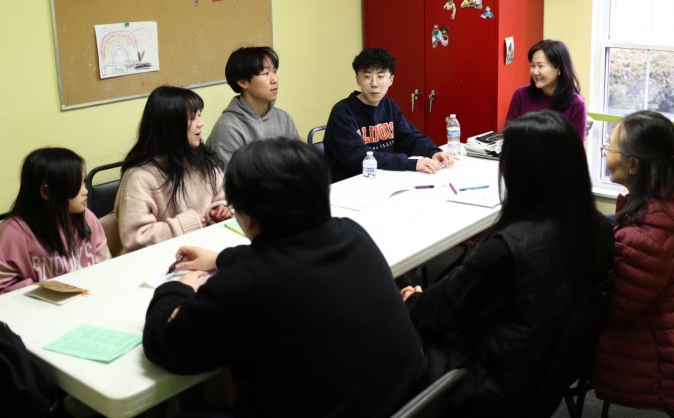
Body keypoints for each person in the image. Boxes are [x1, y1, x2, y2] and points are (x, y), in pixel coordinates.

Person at [143, 138, 427, 418]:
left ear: (249, 219)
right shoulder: (351, 233)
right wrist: (221, 259)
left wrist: (176, 288)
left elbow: (164, 345)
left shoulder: (246, 284)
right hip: (410, 402)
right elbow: (288, 252)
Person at [402, 111, 614, 417]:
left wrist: (413, 300)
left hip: (484, 385)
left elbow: (441, 310)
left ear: (519, 171)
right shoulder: (599, 227)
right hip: (536, 379)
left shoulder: (508, 250)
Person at [594, 110, 674, 416]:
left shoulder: (648, 238)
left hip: (660, 366)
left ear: (633, 164)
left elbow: (612, 312)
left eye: (609, 147)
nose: (605, 153)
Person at [0, 148, 110, 301]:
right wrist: (35, 290)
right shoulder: (12, 234)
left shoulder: (87, 218)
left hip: (87, 303)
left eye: (84, 182)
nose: (85, 191)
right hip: (36, 311)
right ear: (46, 192)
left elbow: (106, 267)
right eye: (76, 184)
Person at [115, 86, 231, 253]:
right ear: (170, 125)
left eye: (199, 115)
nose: (201, 123)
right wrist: (187, 223)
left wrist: (220, 210)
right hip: (160, 258)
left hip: (205, 248)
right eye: (192, 117)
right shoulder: (139, 176)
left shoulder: (204, 160)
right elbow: (135, 238)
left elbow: (221, 199)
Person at [324, 48, 455, 182]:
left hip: (381, 178)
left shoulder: (389, 105)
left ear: (391, 80)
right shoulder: (342, 112)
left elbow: (410, 138)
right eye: (367, 76)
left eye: (380, 76)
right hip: (350, 183)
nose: (374, 84)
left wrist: (433, 152)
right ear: (358, 79)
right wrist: (408, 163)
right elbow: (358, 156)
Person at [206, 46, 298, 167]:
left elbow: (300, 163)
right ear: (243, 82)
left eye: (275, 71)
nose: (274, 80)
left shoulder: (284, 118)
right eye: (265, 73)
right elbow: (232, 177)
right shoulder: (228, 128)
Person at [504, 39, 587, 140]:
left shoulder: (577, 104)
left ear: (559, 69)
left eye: (540, 66)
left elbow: (575, 148)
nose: (535, 72)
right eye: (533, 65)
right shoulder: (521, 95)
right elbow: (509, 137)